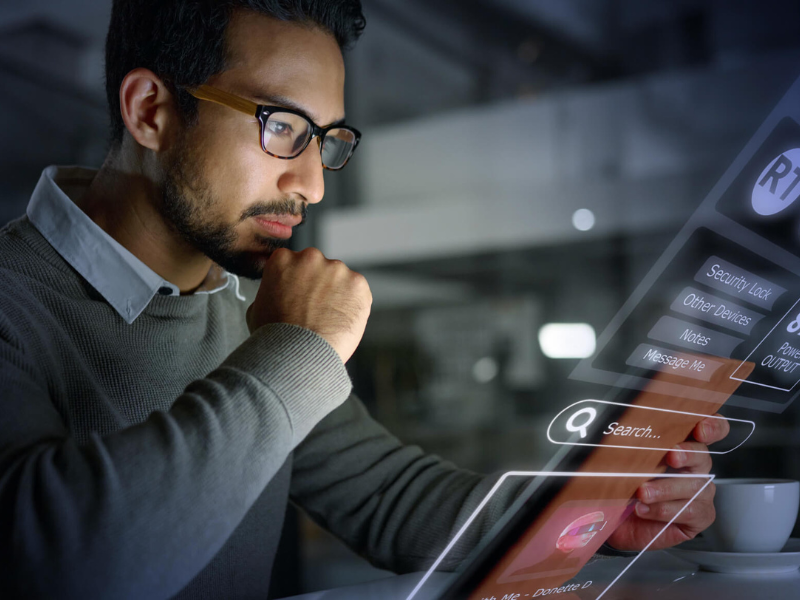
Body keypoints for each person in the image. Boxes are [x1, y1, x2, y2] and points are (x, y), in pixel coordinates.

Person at [0, 1, 726, 598]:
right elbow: (64, 566)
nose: (313, 184)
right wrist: (298, 353)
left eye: (325, 138)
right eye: (281, 127)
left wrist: (598, 509)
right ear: (152, 111)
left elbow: (393, 499)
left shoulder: (249, 312)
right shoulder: (16, 298)